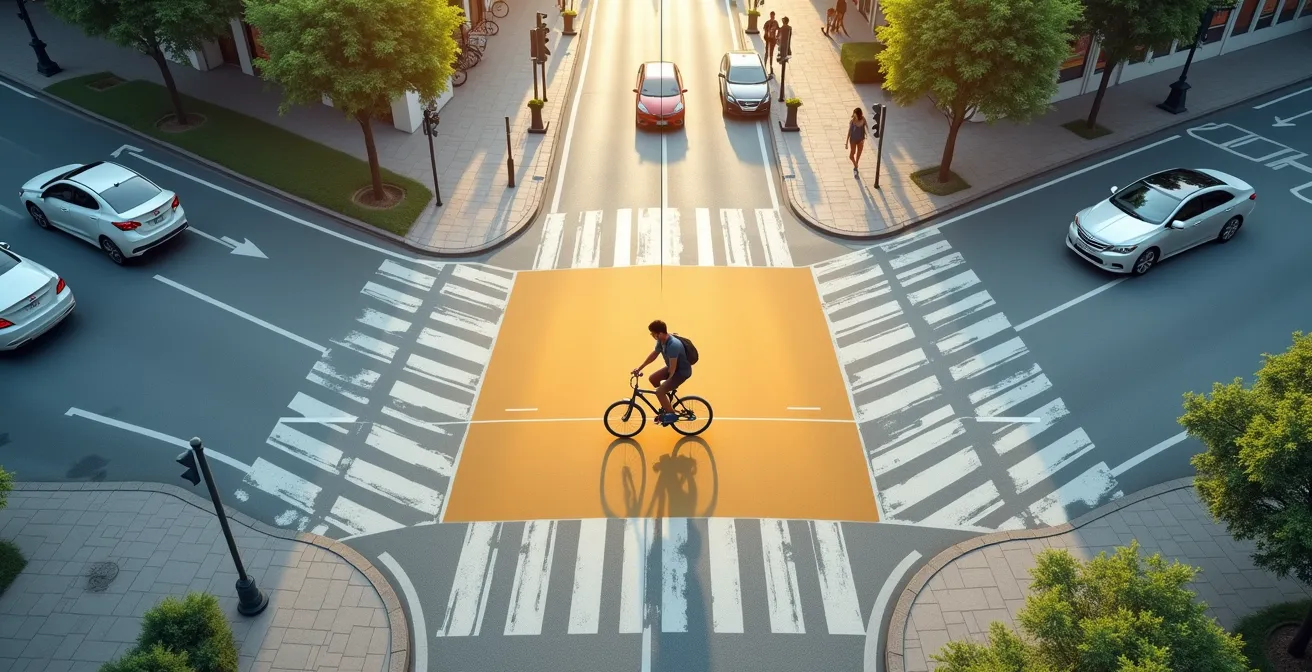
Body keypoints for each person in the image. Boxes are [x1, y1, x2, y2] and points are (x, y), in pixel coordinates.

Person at [631, 319, 692, 427]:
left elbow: (672, 369)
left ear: (659, 333)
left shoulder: (673, 345)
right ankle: (666, 402)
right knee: (653, 378)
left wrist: (666, 384)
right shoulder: (661, 340)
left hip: (681, 372)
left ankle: (671, 414)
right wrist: (640, 368)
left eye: (653, 333)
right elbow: (654, 355)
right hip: (672, 368)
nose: (652, 335)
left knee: (659, 391)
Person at [845, 106, 867, 176]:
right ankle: (856, 166)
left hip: (860, 140)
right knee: (851, 155)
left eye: (855, 114)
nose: (854, 115)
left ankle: (855, 168)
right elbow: (849, 132)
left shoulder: (863, 119)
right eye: (854, 114)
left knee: (858, 154)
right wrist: (846, 142)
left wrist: (864, 138)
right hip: (853, 140)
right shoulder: (852, 121)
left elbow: (865, 129)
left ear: (859, 114)